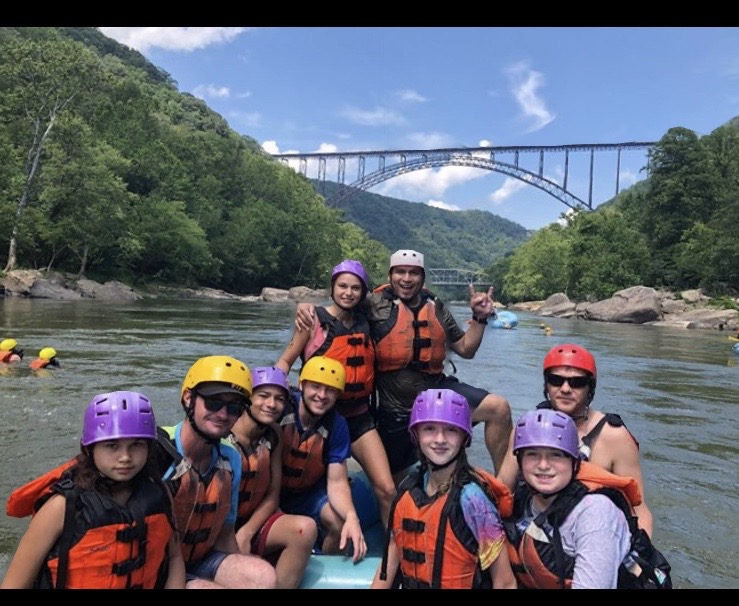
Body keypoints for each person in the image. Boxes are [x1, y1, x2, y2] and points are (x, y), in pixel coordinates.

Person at [295, 249, 512, 482]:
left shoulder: (435, 306)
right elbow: (340, 304)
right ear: (390, 275)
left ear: (422, 278)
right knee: (394, 484)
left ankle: (505, 489)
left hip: (436, 397)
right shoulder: (372, 304)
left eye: (413, 273)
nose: (406, 279)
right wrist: (306, 307)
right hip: (394, 411)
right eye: (400, 272)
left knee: (498, 408)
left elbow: (466, 350)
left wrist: (479, 317)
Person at [2, 390, 186, 589]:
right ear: (90, 448)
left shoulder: (160, 493)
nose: (125, 457)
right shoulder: (61, 508)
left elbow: (174, 558)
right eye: (112, 445)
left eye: (137, 444)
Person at [276, 259, 396, 527]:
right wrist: (272, 391)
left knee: (387, 490)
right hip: (319, 417)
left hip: (358, 416)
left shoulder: (367, 321)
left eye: (355, 288)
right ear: (332, 288)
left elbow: (395, 293)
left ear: (362, 293)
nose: (348, 293)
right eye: (342, 286)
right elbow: (285, 361)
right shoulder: (312, 320)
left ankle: (392, 550)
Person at [496, 342, 654, 537]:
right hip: (530, 530)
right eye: (556, 380)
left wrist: (642, 550)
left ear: (590, 388)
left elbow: (639, 510)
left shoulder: (614, 436)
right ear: (546, 385)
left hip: (589, 535)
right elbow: (503, 488)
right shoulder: (528, 427)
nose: (565, 389)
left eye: (577, 383)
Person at [503, 409, 668, 589]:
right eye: (532, 454)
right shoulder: (522, 501)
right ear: (519, 461)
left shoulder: (596, 513)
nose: (543, 465)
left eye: (556, 455)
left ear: (575, 463)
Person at [371, 388, 517, 589]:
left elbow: (505, 582)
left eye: (451, 430)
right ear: (416, 434)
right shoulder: (407, 491)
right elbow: (390, 561)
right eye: (429, 428)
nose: (440, 439)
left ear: (464, 437)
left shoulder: (473, 500)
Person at [154, 355, 277, 589]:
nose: (222, 415)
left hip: (201, 558)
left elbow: (225, 533)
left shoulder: (230, 459)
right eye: (213, 403)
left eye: (234, 408)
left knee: (262, 575)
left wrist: (242, 566)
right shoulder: (157, 451)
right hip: (158, 568)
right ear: (188, 398)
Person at [228, 366, 318, 589]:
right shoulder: (224, 433)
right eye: (263, 396)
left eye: (279, 399)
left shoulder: (275, 434)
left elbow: (273, 493)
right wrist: (233, 538)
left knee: (305, 529)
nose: (271, 404)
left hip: (252, 521)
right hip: (220, 529)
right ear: (248, 398)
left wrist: (247, 532)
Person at [279, 355, 367, 562]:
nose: (322, 395)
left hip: (307, 494)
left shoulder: (337, 425)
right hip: (272, 493)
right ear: (302, 385)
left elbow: (337, 482)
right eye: (315, 387)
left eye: (330, 390)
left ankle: (327, 568)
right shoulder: (281, 409)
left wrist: (351, 517)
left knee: (338, 523)